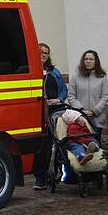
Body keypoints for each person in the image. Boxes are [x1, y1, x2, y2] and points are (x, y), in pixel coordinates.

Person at [33, 43, 68, 190]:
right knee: (37, 148)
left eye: (46, 53)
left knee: (48, 147)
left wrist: (58, 100)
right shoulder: (32, 71)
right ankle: (39, 177)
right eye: (41, 52)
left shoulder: (54, 72)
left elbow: (63, 90)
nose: (43, 55)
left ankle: (46, 177)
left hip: (52, 114)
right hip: (35, 115)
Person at [66, 50, 108, 140]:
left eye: (91, 59)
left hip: (97, 118)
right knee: (83, 144)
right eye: (86, 59)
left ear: (96, 61)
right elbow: (71, 96)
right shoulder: (75, 76)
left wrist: (95, 111)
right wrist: (81, 110)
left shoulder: (102, 77)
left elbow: (105, 96)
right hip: (81, 118)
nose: (88, 61)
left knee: (96, 145)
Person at [61, 109, 101, 181]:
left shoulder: (83, 124)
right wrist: (83, 142)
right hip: (75, 141)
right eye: (79, 118)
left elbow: (88, 133)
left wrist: (86, 134)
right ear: (74, 120)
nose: (82, 119)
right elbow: (74, 136)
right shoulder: (72, 126)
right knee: (78, 148)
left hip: (85, 140)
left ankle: (94, 147)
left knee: (93, 140)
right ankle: (82, 157)